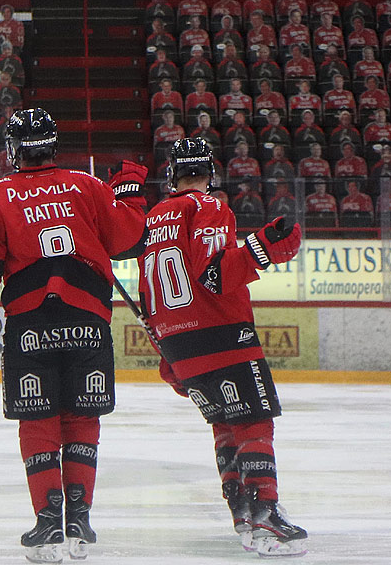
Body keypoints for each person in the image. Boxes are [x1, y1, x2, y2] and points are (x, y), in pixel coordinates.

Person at [0, 107, 149, 562]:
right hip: (89, 319)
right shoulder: (88, 185)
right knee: (81, 417)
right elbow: (128, 238)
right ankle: (78, 519)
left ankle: (47, 523)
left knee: (38, 421)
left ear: (14, 149)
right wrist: (131, 193)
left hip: (31, 320)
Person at [131, 138, 307, 557]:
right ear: (210, 173)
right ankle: (265, 514)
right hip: (222, 336)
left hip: (178, 343)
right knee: (253, 421)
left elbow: (147, 292)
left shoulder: (154, 218)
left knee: (225, 423)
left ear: (172, 173)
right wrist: (264, 249)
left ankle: (242, 508)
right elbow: (214, 275)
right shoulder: (208, 207)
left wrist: (166, 353)